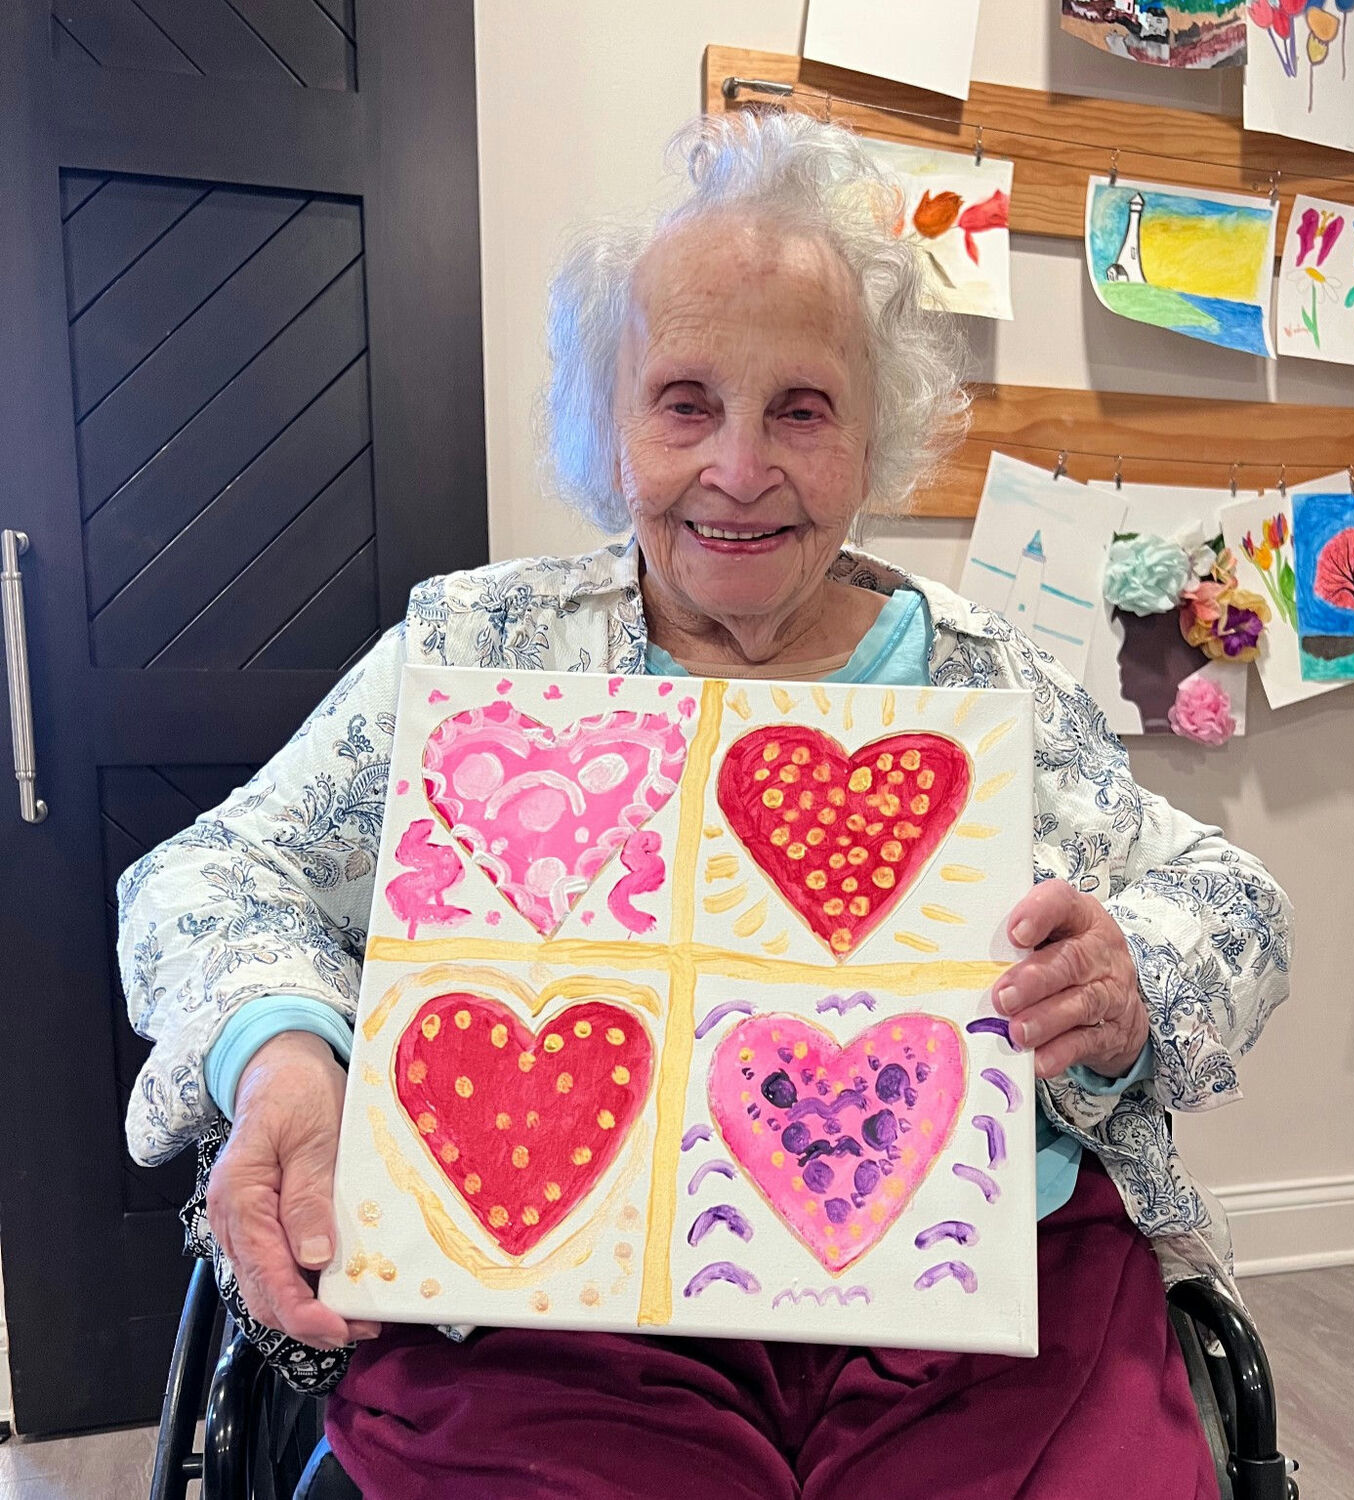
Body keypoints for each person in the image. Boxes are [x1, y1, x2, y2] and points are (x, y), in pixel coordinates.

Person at [119, 111, 1292, 1499]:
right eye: (686, 403)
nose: (738, 469)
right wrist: (283, 1051)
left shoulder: (987, 683)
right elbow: (210, 876)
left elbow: (1233, 906)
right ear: (608, 425)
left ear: (877, 437)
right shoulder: (480, 650)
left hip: (975, 1299)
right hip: (551, 1305)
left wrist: (1126, 982)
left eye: (800, 409)